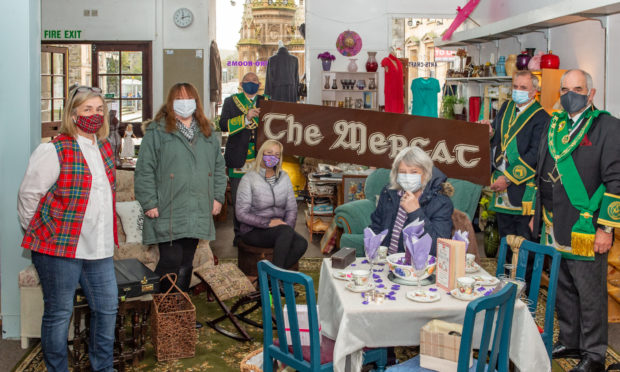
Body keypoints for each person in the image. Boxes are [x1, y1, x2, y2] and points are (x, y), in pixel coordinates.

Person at [18, 85, 118, 372]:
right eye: (88, 109)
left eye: (99, 109)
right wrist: (42, 233)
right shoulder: (53, 149)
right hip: (59, 250)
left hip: (98, 248)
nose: (94, 115)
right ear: (73, 114)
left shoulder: (104, 147)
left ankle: (103, 367)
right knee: (59, 314)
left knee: (107, 308)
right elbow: (28, 196)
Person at [533, 69, 620, 372]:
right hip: (553, 221)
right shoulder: (555, 125)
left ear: (591, 94)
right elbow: (541, 167)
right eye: (565, 89)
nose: (571, 95)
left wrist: (606, 228)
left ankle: (594, 353)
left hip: (587, 226)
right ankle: (570, 339)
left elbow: (616, 181)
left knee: (590, 292)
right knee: (563, 286)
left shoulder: (608, 127)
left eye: (578, 89)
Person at [135, 82, 226, 294]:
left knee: (186, 262)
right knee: (171, 259)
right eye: (179, 99)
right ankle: (163, 310)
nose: (184, 103)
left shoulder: (208, 132)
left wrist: (218, 198)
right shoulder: (157, 132)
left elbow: (219, 169)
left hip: (197, 206)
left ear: (196, 102)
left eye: (188, 98)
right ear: (170, 103)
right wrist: (149, 202)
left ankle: (179, 312)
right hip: (168, 207)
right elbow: (144, 170)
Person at [483, 70, 549, 270]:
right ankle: (504, 284)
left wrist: (509, 178)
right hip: (502, 189)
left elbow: (534, 155)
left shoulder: (542, 118)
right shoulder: (506, 106)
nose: (518, 91)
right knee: (505, 240)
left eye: (523, 88)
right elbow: (498, 137)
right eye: (515, 86)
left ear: (534, 92)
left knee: (524, 245)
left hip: (522, 190)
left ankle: (524, 290)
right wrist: (490, 130)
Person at [235, 139, 307, 269]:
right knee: (284, 232)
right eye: (269, 152)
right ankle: (276, 281)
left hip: (280, 228)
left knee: (301, 243)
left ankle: (269, 277)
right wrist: (267, 223)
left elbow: (292, 208)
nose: (273, 157)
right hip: (253, 230)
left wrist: (288, 227)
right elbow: (241, 213)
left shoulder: (284, 177)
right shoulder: (249, 178)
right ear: (262, 153)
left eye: (277, 154)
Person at [370, 146, 454, 256]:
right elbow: (376, 227)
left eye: (414, 172)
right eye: (402, 172)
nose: (407, 177)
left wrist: (415, 212)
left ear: (426, 174)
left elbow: (437, 249)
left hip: (418, 267)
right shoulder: (389, 193)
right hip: (386, 262)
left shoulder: (441, 203)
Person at [219, 72, 269, 246]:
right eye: (247, 81)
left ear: (259, 83)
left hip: (261, 159)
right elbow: (223, 124)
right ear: (241, 84)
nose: (251, 83)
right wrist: (245, 118)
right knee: (240, 199)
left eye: (254, 80)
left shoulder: (267, 101)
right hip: (237, 158)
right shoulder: (231, 101)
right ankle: (239, 236)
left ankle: (259, 233)